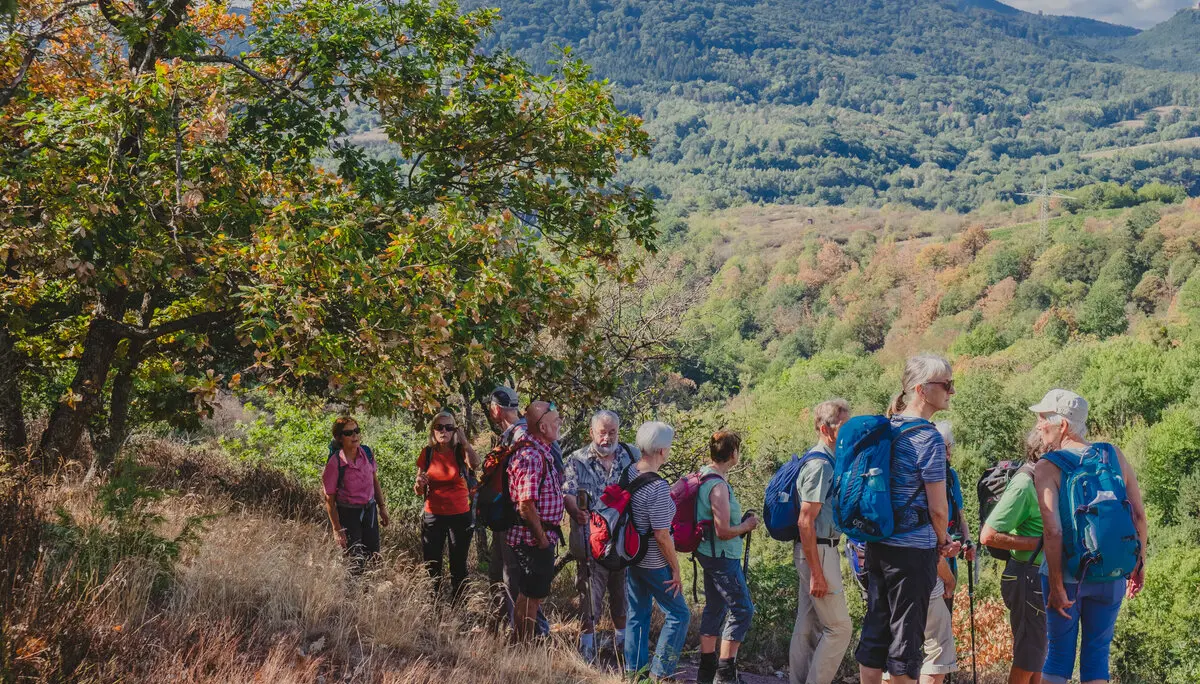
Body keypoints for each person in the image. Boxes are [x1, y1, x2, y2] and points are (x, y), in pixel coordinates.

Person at [1031, 390, 1148, 684]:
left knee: (1058, 657)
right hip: (1111, 573)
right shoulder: (1113, 455)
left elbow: (1053, 531)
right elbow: (1139, 516)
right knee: (1097, 658)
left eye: (1044, 418)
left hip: (1068, 576)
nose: (1038, 425)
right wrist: (1139, 563)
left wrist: (1056, 584)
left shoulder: (1048, 466)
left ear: (1063, 425)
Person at [856, 354, 960, 684]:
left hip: (878, 544)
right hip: (913, 553)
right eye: (946, 385)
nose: (951, 392)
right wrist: (943, 542)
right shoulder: (927, 437)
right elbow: (938, 509)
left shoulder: (885, 428)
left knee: (875, 635)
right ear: (921, 389)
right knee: (906, 644)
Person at [563, 409, 641, 660]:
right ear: (591, 433)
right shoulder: (576, 459)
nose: (607, 438)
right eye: (602, 433)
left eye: (612, 432)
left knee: (622, 598)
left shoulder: (631, 457)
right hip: (590, 543)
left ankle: (622, 649)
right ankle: (587, 652)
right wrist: (576, 512)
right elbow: (568, 493)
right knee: (589, 601)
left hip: (623, 543)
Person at [790, 399, 853, 684]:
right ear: (826, 428)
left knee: (808, 623)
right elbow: (806, 521)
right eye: (844, 425)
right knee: (840, 627)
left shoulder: (824, 459)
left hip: (815, 549)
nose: (849, 429)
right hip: (819, 550)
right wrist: (817, 572)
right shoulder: (820, 465)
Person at [980, 429, 1048, 684]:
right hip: (1026, 578)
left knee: (1038, 657)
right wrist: (1040, 543)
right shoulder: (1024, 484)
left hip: (1040, 577)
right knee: (1028, 658)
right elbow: (988, 535)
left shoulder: (1046, 481)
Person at [624, 421, 690, 681]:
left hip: (632, 556)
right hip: (653, 561)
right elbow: (662, 535)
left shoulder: (629, 472)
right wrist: (675, 568)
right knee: (679, 615)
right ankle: (660, 674)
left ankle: (634, 673)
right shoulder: (658, 487)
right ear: (662, 451)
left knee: (637, 613)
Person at [695, 431, 758, 684]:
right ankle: (725, 674)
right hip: (721, 555)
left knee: (715, 607)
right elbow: (722, 531)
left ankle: (706, 672)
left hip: (709, 553)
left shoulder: (705, 475)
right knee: (743, 609)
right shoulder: (718, 486)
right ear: (733, 453)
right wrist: (747, 526)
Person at [485, 385, 548, 635]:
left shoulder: (522, 436)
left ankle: (534, 633)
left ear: (496, 410)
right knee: (506, 575)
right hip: (512, 519)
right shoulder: (514, 434)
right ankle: (510, 629)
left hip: (521, 520)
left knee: (518, 580)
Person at [505, 400, 566, 642]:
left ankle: (521, 643)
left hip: (537, 537)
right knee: (530, 597)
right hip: (532, 540)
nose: (559, 424)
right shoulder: (531, 456)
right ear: (542, 428)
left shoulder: (542, 451)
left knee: (529, 595)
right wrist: (541, 539)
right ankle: (524, 645)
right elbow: (525, 504)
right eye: (555, 421)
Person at [415, 410, 480, 601]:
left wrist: (465, 443)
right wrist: (419, 484)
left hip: (459, 515)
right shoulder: (427, 453)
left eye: (449, 427)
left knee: (458, 563)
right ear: (433, 430)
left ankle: (458, 605)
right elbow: (418, 488)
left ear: (454, 431)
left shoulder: (461, 452)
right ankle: (433, 603)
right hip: (433, 514)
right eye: (439, 427)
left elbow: (475, 465)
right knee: (432, 563)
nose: (444, 431)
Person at [322, 416, 390, 573]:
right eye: (349, 433)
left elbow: (374, 481)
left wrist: (382, 507)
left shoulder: (366, 453)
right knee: (354, 560)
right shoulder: (335, 463)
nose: (355, 436)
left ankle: (369, 594)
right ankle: (353, 595)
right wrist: (337, 529)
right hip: (348, 514)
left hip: (370, 511)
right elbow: (329, 500)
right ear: (339, 438)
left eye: (357, 431)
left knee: (373, 556)